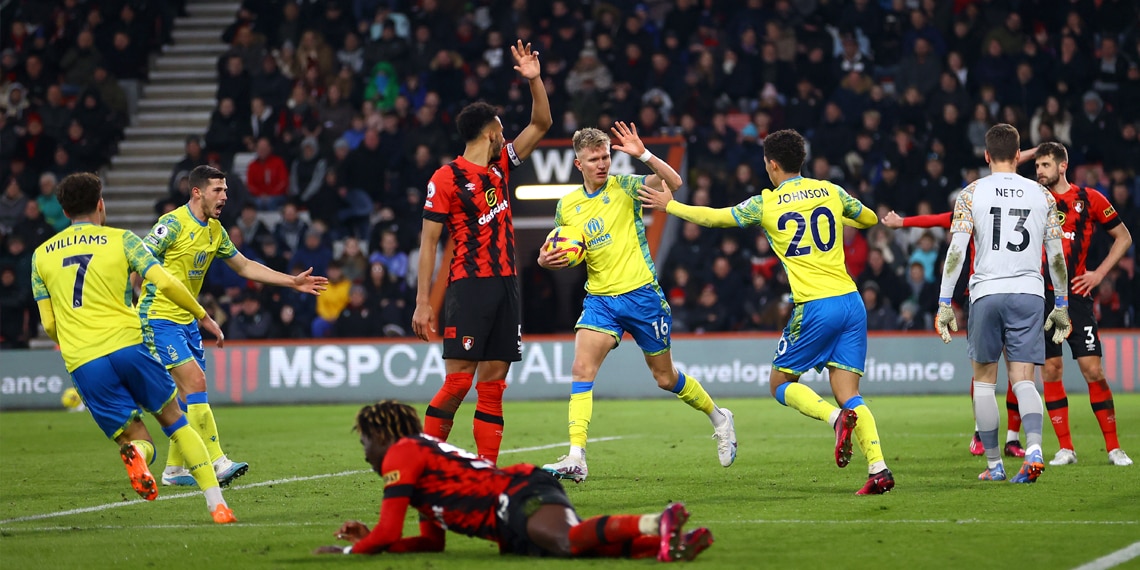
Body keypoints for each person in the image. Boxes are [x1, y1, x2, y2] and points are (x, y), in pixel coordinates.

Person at [640, 129, 893, 495]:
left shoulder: (766, 203)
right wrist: (844, 215)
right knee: (849, 391)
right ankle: (878, 468)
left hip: (816, 306)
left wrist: (671, 206)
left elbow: (715, 218)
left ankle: (836, 420)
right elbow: (868, 218)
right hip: (852, 303)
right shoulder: (831, 190)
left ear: (772, 164)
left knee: (779, 384)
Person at [30, 173, 236, 523]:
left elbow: (49, 324)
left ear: (64, 210)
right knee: (175, 420)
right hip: (128, 344)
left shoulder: (40, 256)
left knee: (136, 437)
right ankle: (217, 505)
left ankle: (137, 454)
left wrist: (75, 342)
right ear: (100, 204)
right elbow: (165, 281)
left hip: (84, 358)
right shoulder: (122, 240)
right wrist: (202, 313)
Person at [538, 124, 737, 483]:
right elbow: (557, 247)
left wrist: (643, 154)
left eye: (605, 157)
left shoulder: (626, 188)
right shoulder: (566, 206)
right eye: (594, 159)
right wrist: (543, 260)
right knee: (582, 371)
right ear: (577, 163)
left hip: (643, 296)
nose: (602, 164)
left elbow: (673, 183)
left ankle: (720, 418)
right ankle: (576, 457)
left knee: (665, 378)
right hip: (601, 299)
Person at [313, 400, 712, 561]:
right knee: (573, 550)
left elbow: (386, 531)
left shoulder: (402, 452)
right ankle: (667, 547)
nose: (365, 452)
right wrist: (374, 538)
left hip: (515, 493)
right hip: (506, 519)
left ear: (383, 436)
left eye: (366, 441)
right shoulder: (421, 467)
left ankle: (653, 522)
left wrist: (351, 551)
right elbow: (431, 542)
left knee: (566, 539)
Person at [139, 165, 328, 488]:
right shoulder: (171, 225)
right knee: (195, 384)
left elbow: (243, 265)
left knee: (187, 397)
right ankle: (217, 461)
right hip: (158, 317)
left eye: (225, 190)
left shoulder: (215, 231)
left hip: (187, 319)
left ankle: (174, 470)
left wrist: (291, 282)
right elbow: (138, 260)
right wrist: (125, 304)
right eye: (218, 190)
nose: (225, 196)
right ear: (197, 192)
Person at [411, 41, 552, 465]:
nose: (506, 137)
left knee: (493, 384)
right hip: (468, 287)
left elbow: (542, 122)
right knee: (458, 382)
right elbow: (429, 242)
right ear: (490, 132)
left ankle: (487, 471)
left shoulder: (501, 166)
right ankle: (425, 462)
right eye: (502, 131)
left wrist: (534, 80)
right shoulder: (447, 176)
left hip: (506, 287)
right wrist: (422, 302)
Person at [935, 124, 1071, 483]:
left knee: (983, 381)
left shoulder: (971, 193)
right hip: (1029, 293)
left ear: (986, 155)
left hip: (986, 293)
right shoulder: (1042, 195)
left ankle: (994, 465)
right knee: (1024, 378)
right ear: (1018, 154)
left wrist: (944, 302)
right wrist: (1061, 303)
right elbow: (1056, 256)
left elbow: (957, 252)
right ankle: (1036, 450)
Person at [1032, 142, 1133, 467]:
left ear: (1063, 166)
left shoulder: (1089, 198)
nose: (1039, 171)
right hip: (1042, 296)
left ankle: (1114, 447)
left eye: (1045, 164)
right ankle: (1066, 448)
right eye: (1037, 165)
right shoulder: (1032, 197)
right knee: (1051, 369)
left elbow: (1124, 237)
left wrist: (1099, 274)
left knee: (1092, 370)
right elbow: (1001, 158)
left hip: (1076, 296)